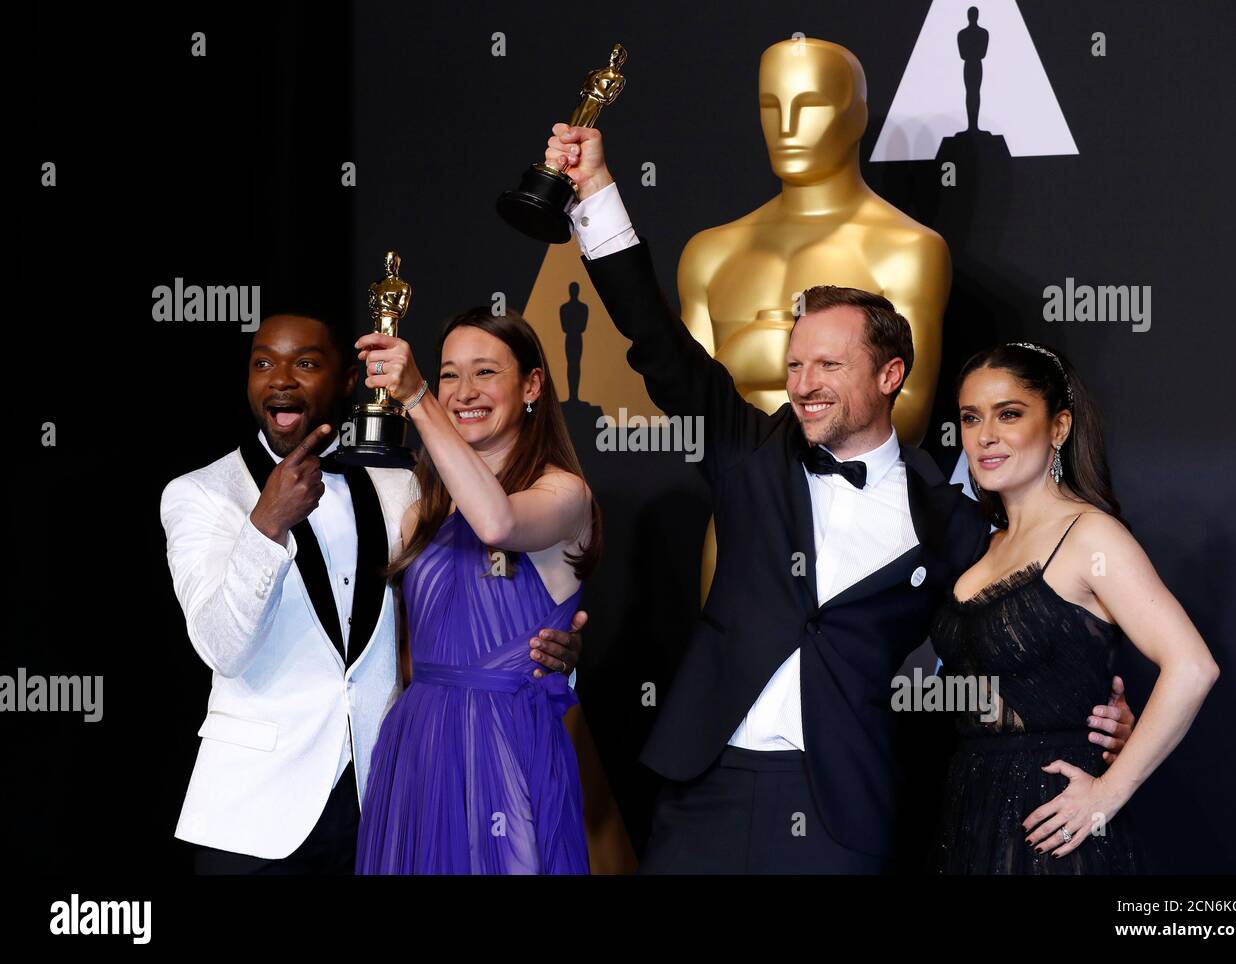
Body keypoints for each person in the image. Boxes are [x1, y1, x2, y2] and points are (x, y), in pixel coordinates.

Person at [543, 123, 1134, 873]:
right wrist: (593, 191)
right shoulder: (747, 452)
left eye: (828, 364)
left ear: (890, 375)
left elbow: (1022, 635)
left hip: (841, 802)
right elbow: (654, 337)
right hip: (706, 785)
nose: (802, 384)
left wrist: (1108, 714)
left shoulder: (951, 518)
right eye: (795, 364)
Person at [160, 311, 585, 874]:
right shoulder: (201, 494)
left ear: (348, 382)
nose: (281, 379)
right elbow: (221, 647)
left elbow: (460, 613)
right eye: (263, 363)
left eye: (306, 363)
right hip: (257, 812)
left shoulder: (408, 487)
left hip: (385, 794)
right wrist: (266, 526)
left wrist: (552, 660)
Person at [930, 342, 1219, 873]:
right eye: (971, 418)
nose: (985, 436)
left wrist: (1107, 794)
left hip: (1055, 824)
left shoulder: (1090, 536)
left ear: (1059, 427)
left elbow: (1193, 666)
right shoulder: (980, 545)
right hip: (969, 810)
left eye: (1009, 414)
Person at [353, 305, 599, 874]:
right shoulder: (422, 512)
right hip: (417, 745)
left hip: (508, 747)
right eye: (448, 374)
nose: (464, 392)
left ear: (532, 384)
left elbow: (498, 523)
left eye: (486, 372)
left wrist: (418, 400)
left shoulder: (564, 494)